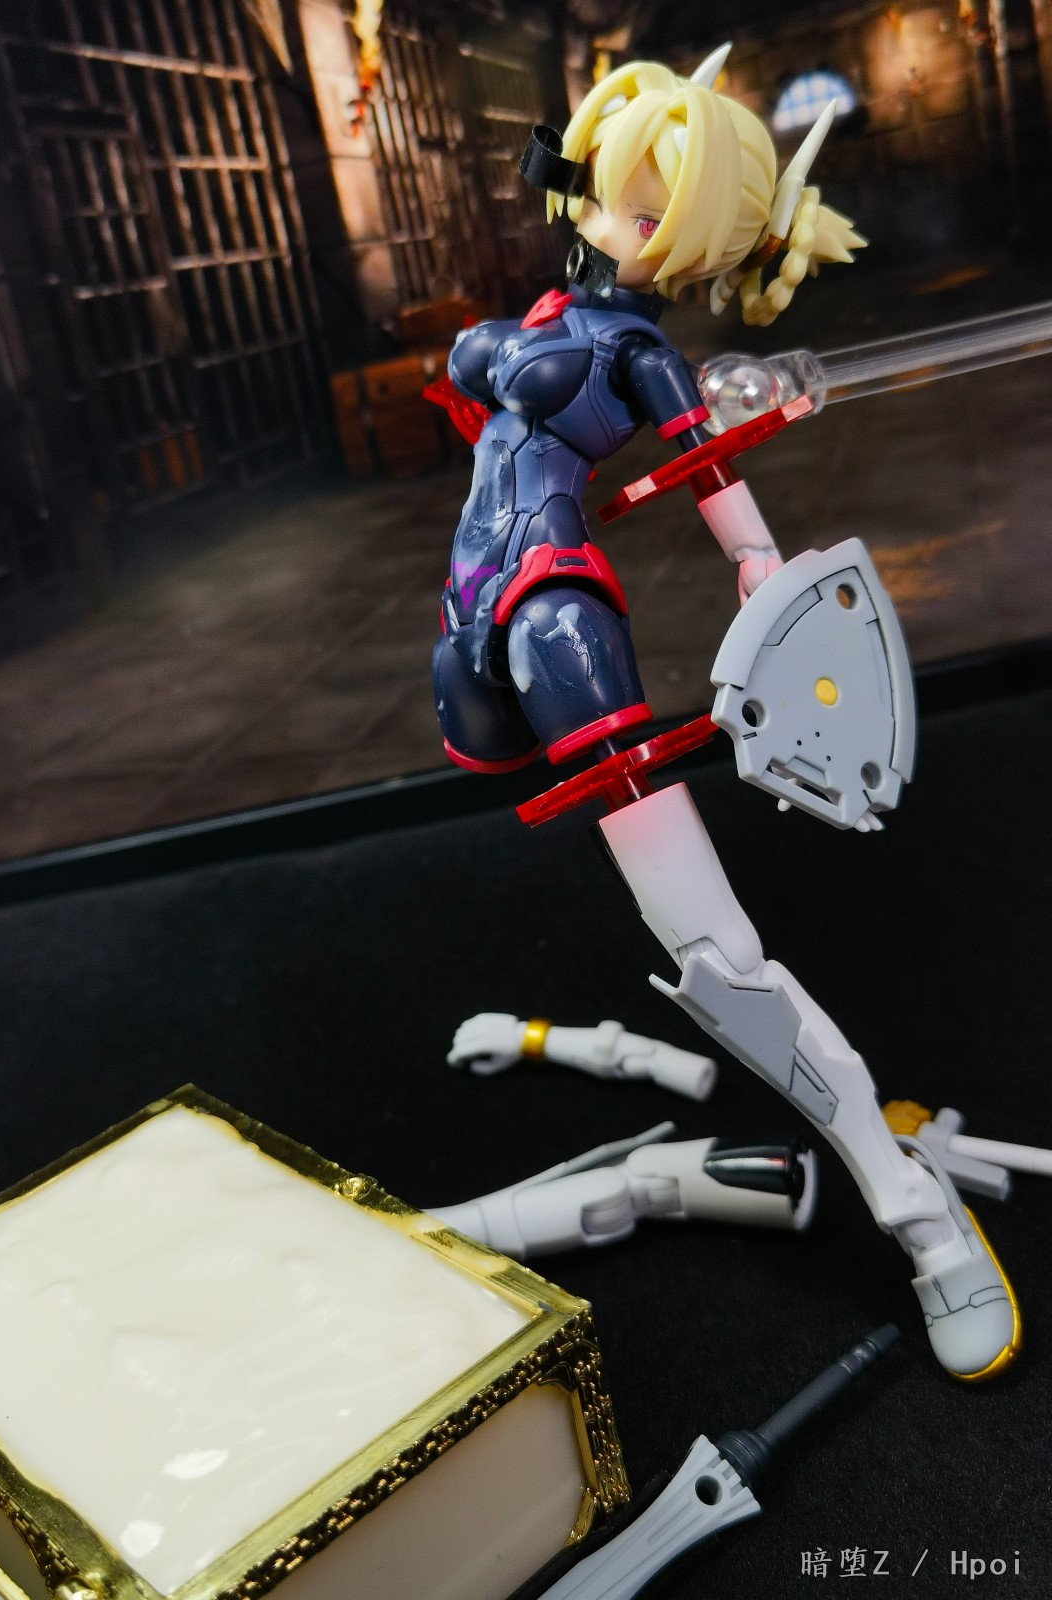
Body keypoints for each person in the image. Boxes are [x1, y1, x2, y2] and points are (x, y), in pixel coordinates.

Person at [431, 52, 1020, 1380]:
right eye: (610, 187)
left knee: (708, 950)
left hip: (552, 609)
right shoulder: (552, 308)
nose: (609, 216)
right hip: (469, 613)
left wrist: (764, 579)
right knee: (500, 764)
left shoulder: (638, 349)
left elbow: (713, 482)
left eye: (649, 208)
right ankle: (890, 1160)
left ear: (692, 237)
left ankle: (909, 1205)